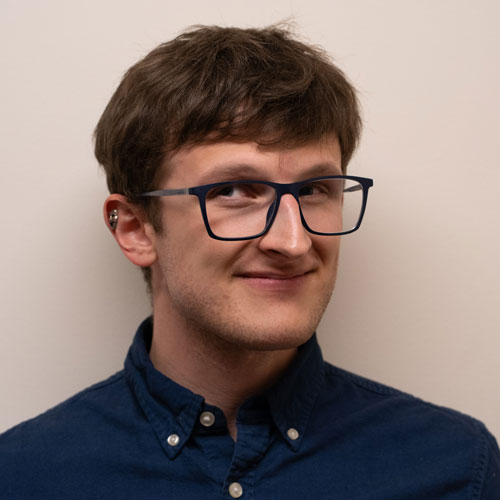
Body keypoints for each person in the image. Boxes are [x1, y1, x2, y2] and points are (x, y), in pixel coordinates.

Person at [1, 24, 499, 499]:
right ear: (135, 229)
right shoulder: (22, 478)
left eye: (314, 189)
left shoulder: (456, 468)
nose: (294, 242)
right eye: (234, 190)